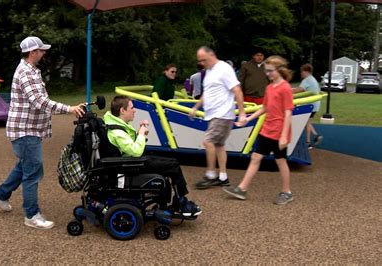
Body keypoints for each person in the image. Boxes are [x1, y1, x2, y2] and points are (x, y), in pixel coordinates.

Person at [0, 36, 85, 229]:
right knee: (33, 171)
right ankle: (31, 216)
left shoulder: (30, 70)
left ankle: (0, 194)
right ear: (33, 52)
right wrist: (69, 108)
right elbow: (39, 102)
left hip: (28, 129)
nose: (44, 53)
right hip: (25, 130)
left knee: (25, 165)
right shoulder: (26, 73)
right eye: (41, 50)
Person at [103, 96, 202, 217]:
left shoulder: (117, 126)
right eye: (131, 108)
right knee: (173, 165)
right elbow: (136, 152)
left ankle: (176, 201)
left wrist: (140, 132)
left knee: (172, 162)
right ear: (122, 111)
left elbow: (131, 148)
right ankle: (181, 202)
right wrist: (141, 134)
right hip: (130, 166)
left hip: (130, 162)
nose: (134, 110)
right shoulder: (117, 132)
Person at [223, 55, 294, 205]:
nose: (267, 74)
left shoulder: (285, 88)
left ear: (279, 70)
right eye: (266, 71)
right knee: (255, 157)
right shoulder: (269, 88)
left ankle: (286, 192)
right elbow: (265, 108)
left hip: (279, 131)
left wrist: (283, 136)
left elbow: (288, 112)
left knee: (280, 161)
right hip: (267, 129)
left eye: (270, 71)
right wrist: (248, 119)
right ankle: (242, 189)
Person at [190, 46, 246, 189]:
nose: (202, 63)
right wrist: (196, 107)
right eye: (200, 61)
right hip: (214, 115)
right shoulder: (209, 71)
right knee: (219, 145)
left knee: (208, 141)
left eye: (204, 59)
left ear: (212, 55)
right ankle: (223, 176)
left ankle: (210, 175)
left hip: (223, 114)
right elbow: (207, 92)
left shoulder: (224, 69)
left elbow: (237, 90)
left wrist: (242, 113)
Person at [292, 63, 323, 149]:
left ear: (306, 71)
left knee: (306, 122)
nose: (301, 74)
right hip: (315, 105)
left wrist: (287, 91)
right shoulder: (313, 79)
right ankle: (311, 139)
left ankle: (311, 139)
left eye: (302, 72)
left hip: (309, 105)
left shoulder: (307, 80)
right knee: (307, 122)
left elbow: (299, 89)